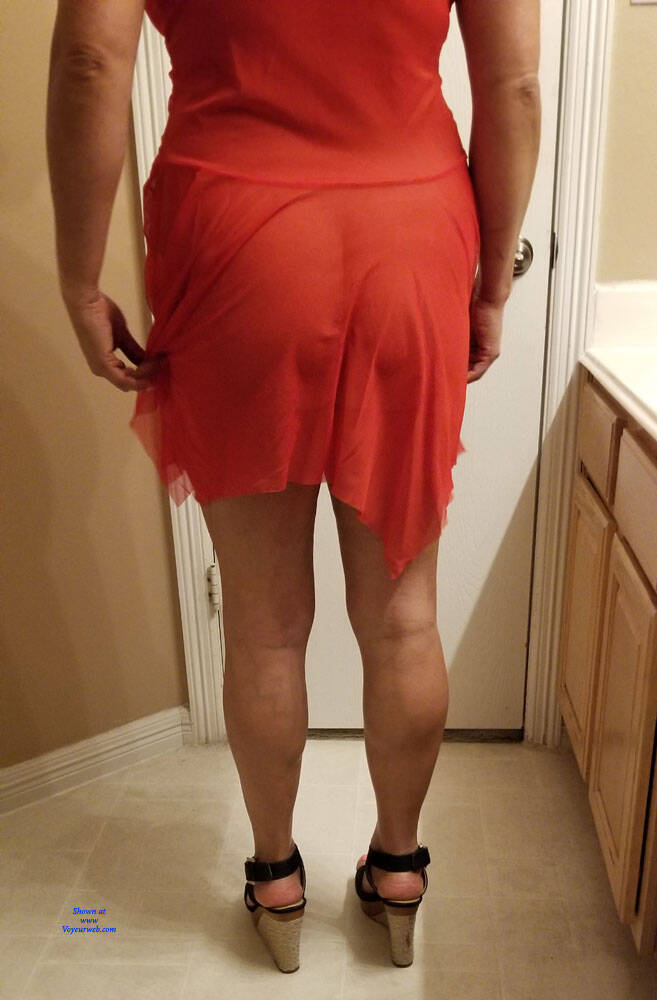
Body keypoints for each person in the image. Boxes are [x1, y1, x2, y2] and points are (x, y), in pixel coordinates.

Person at [46, 0, 541, 974]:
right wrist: (491, 286)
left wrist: (78, 280)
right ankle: (398, 868)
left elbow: (90, 63)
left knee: (264, 622)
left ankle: (275, 879)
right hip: (411, 233)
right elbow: (514, 84)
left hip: (233, 234)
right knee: (403, 615)